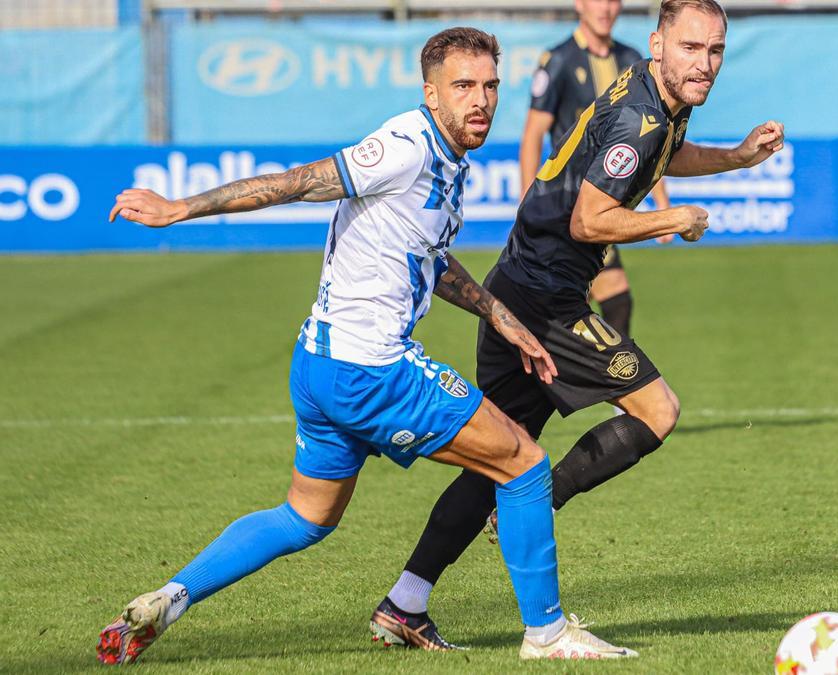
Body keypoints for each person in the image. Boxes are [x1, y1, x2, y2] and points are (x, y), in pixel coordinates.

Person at [94, 27, 635, 664]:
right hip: (369, 367)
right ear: (431, 94)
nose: (480, 100)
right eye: (463, 87)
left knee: (306, 518)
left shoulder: (445, 157)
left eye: (490, 86)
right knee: (523, 462)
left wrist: (499, 313)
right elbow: (303, 181)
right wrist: (180, 208)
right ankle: (547, 634)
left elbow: (430, 255)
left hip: (318, 365)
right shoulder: (405, 143)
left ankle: (171, 596)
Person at [375, 0, 785, 649]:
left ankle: (405, 602)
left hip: (518, 284)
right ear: (657, 44)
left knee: (495, 458)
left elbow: (663, 155)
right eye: (690, 48)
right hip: (546, 303)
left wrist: (736, 158)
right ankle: (545, 506)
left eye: (714, 51)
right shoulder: (639, 113)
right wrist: (670, 221)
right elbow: (589, 220)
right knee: (658, 409)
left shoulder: (656, 100)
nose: (703, 63)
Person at [519, 0, 673, 342]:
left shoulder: (632, 59)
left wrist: (661, 199)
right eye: (596, 0)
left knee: (597, 302)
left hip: (608, 198)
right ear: (579, 5)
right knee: (607, 297)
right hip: (570, 200)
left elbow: (651, 138)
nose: (605, 8)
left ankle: (600, 383)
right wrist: (526, 201)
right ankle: (615, 382)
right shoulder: (558, 60)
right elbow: (532, 135)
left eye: (613, 0)